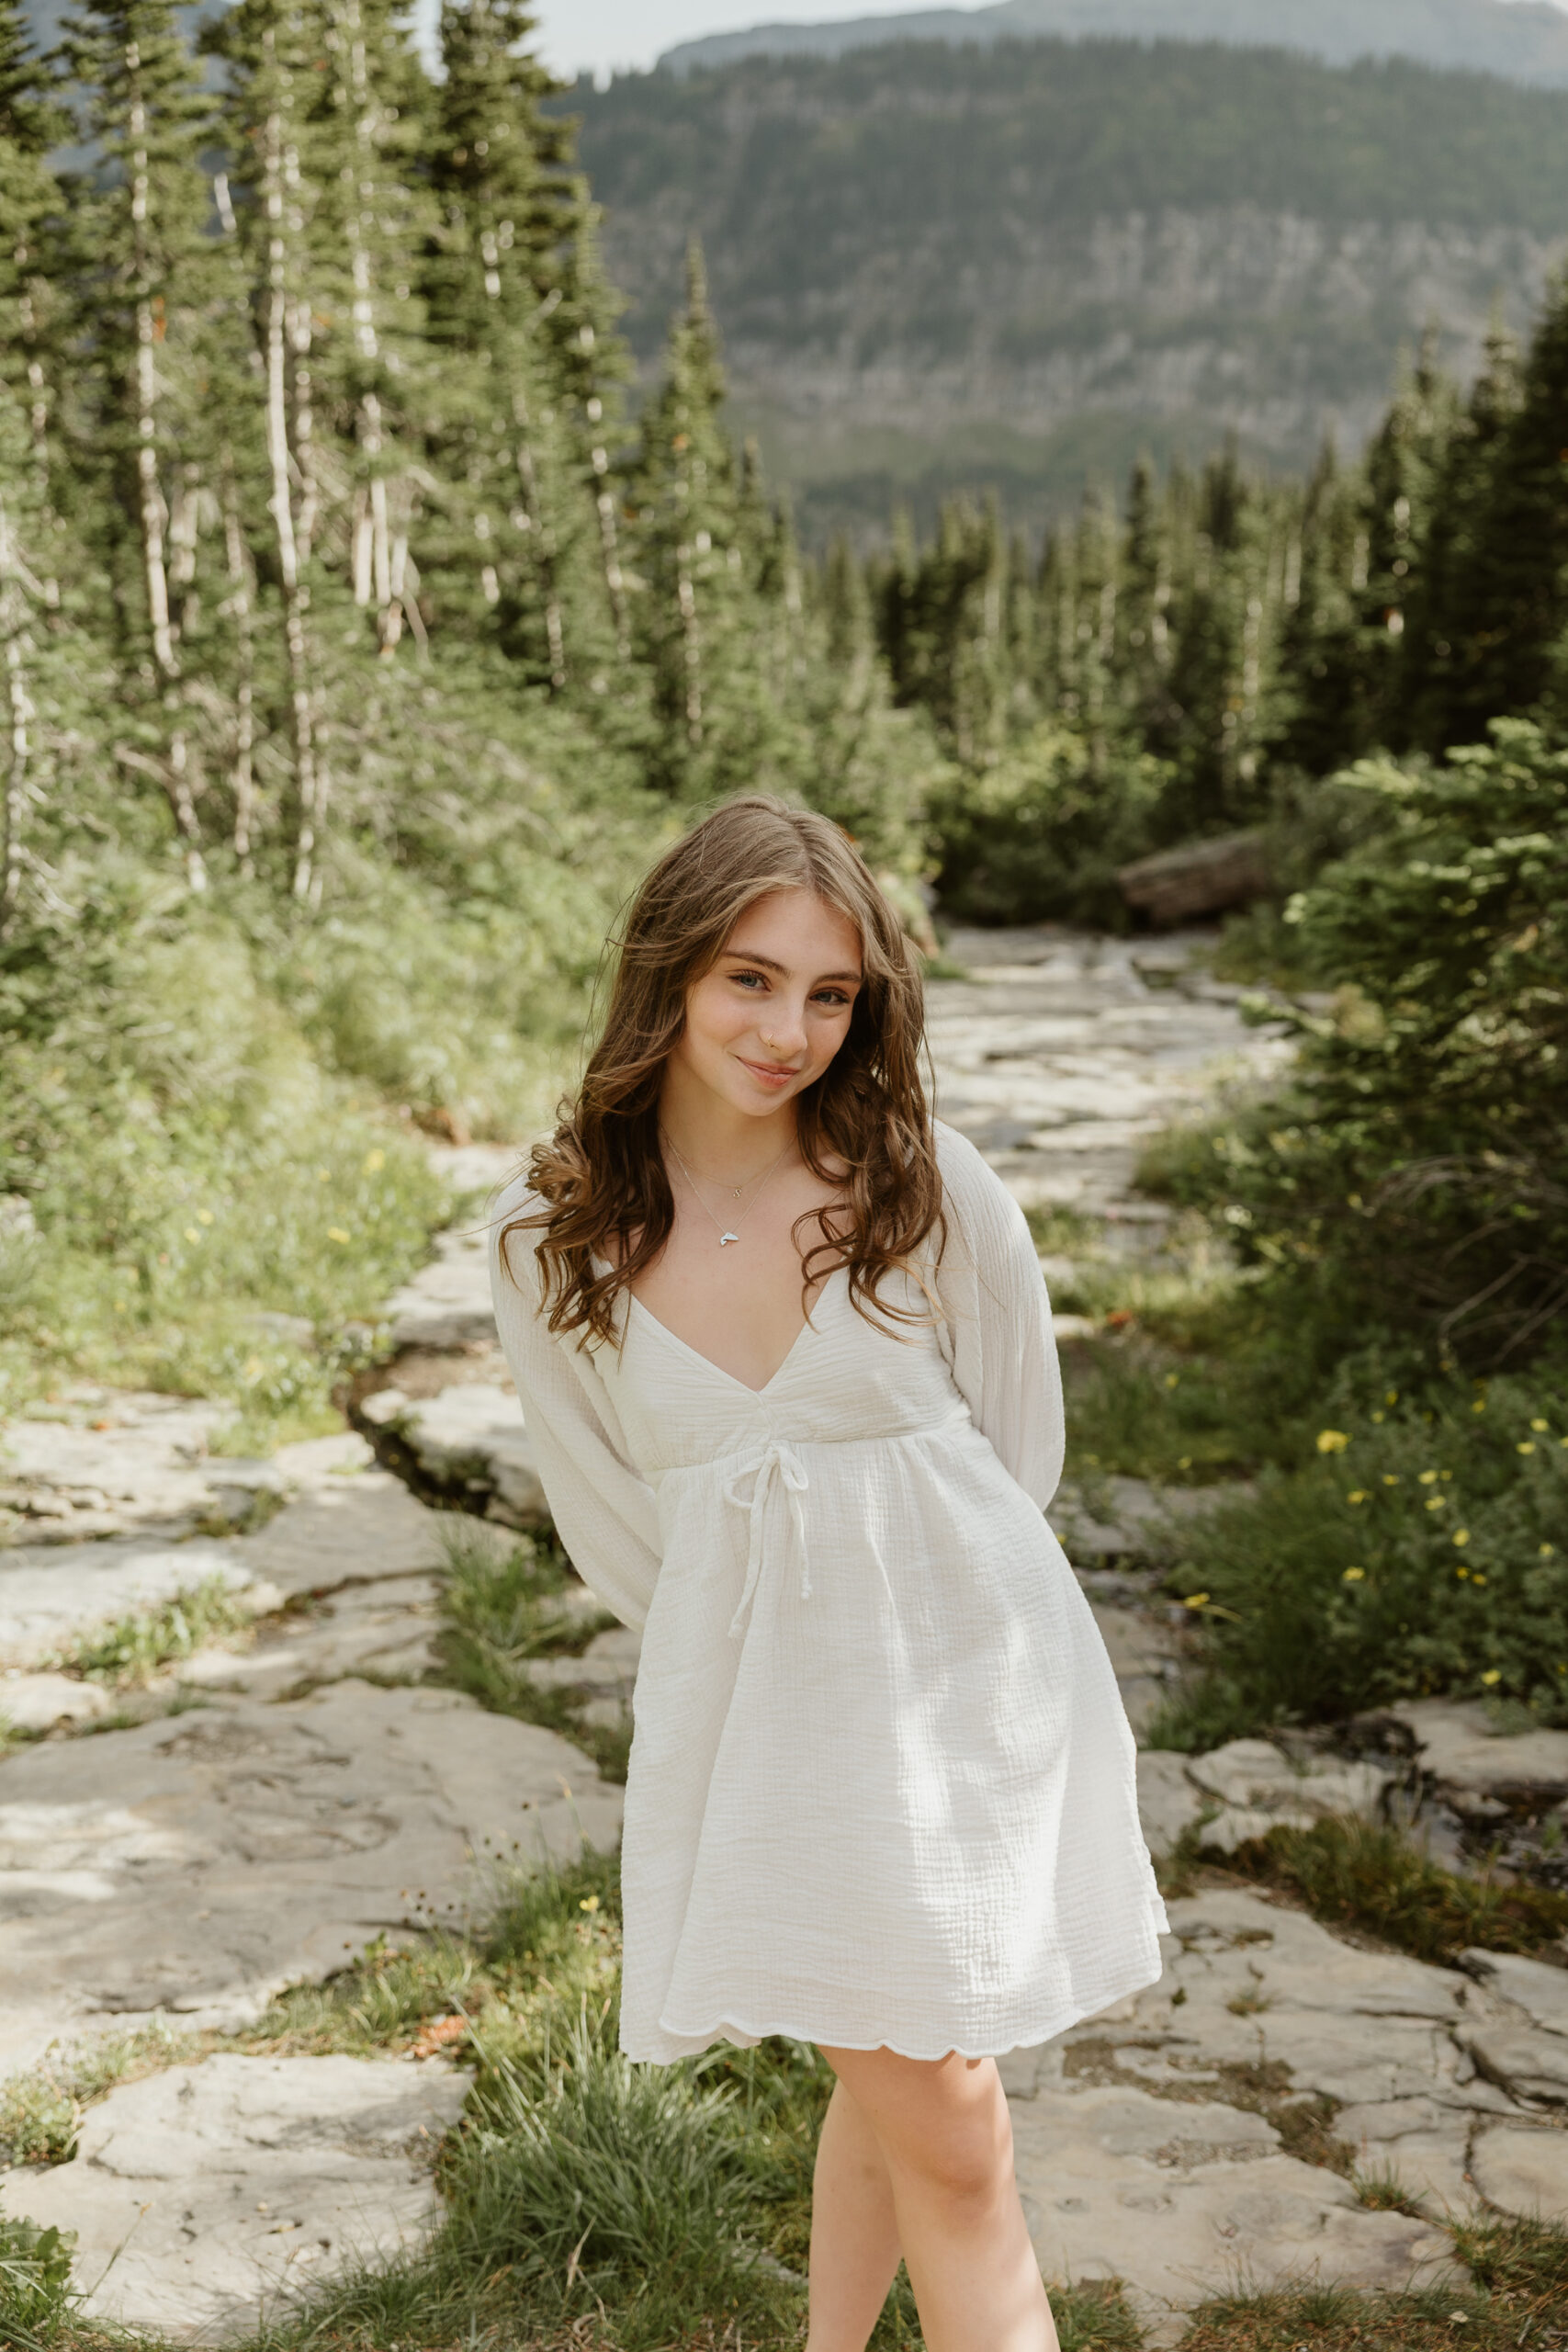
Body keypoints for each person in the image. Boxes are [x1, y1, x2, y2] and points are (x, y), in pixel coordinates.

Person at [490, 796, 1167, 2352]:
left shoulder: (919, 1181)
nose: (790, 1028)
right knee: (920, 2092)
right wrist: (765, 1672)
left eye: (831, 992)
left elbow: (1016, 1453)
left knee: (939, 2109)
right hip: (766, 1716)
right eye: (749, 978)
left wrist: (898, 1612)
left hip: (966, 1689)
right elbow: (615, 1516)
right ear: (666, 971)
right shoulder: (551, 1236)